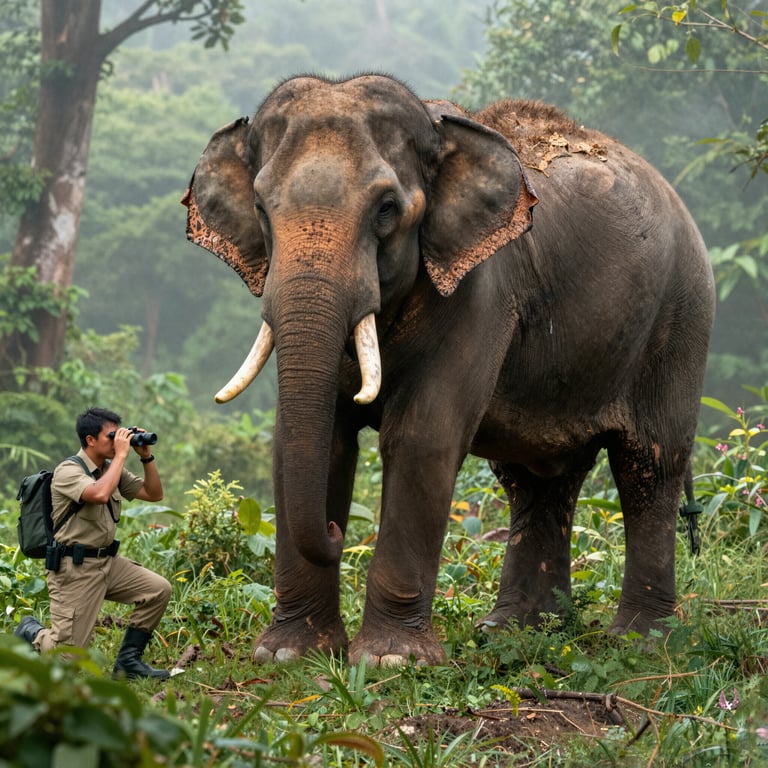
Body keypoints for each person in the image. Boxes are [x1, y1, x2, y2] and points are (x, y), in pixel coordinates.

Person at [14, 407, 172, 680]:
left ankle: (128, 664)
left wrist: (146, 457)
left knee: (158, 590)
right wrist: (122, 455)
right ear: (89, 440)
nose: (117, 442)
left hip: (107, 564)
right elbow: (98, 494)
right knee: (67, 661)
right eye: (112, 436)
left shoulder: (110, 470)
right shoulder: (68, 470)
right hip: (74, 569)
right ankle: (33, 632)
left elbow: (154, 494)